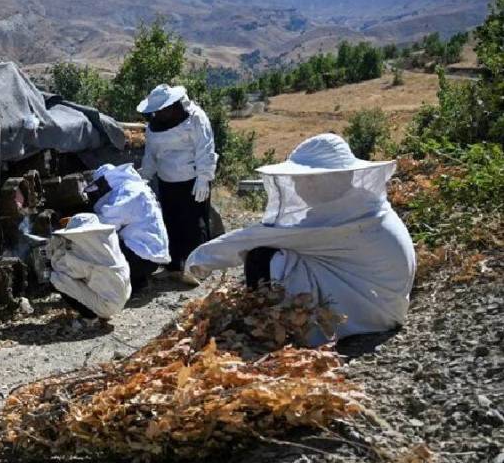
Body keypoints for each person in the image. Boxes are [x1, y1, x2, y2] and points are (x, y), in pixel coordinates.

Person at [185, 133, 417, 345]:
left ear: (325, 179)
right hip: (386, 306)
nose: (297, 184)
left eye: (303, 178)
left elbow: (253, 239)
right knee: (282, 255)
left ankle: (268, 334)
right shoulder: (359, 205)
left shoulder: (339, 217)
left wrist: (198, 260)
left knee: (263, 256)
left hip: (370, 313)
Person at [138, 84, 218, 286]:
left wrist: (204, 177)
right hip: (167, 181)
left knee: (194, 224)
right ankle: (174, 267)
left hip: (193, 180)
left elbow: (205, 148)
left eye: (163, 109)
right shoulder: (153, 126)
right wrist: (145, 177)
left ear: (174, 105)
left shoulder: (195, 118)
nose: (160, 113)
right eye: (157, 111)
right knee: (171, 223)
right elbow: (151, 155)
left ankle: (197, 269)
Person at [85, 163, 170, 288]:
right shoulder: (134, 187)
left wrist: (81, 223)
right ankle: (136, 281)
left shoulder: (128, 191)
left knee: (96, 245)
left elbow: (106, 224)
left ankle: (120, 285)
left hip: (142, 256)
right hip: (149, 255)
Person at [47, 213, 132, 325]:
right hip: (122, 297)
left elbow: (63, 268)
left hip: (107, 305)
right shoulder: (107, 246)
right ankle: (98, 311)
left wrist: (55, 251)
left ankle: (90, 315)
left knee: (57, 278)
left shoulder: (85, 255)